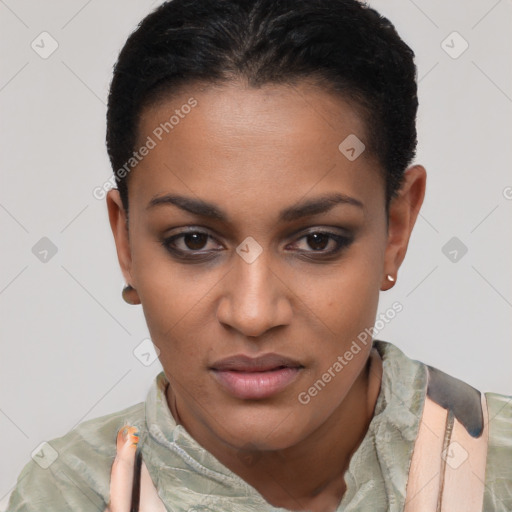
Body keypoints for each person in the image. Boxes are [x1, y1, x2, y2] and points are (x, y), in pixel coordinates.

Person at [7, 0, 512, 511]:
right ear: (126, 242)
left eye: (318, 240)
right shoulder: (65, 494)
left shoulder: (502, 472)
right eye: (193, 241)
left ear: (395, 230)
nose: (252, 314)